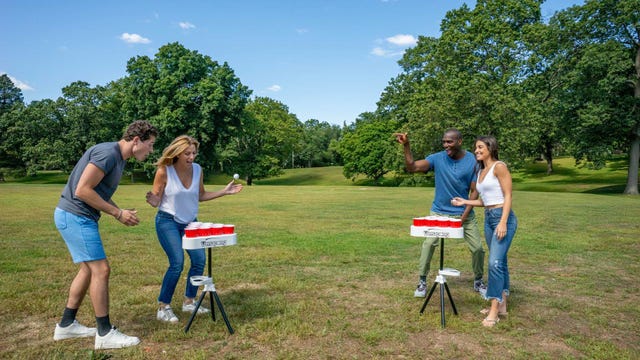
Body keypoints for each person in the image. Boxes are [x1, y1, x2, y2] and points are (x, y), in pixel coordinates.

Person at [53, 120, 158, 349]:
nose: (151, 150)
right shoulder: (108, 153)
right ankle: (104, 333)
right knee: (101, 269)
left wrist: (118, 212)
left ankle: (66, 325)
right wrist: (117, 213)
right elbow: (82, 190)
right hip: (75, 216)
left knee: (88, 270)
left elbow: (97, 191)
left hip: (77, 216)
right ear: (137, 140)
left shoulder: (118, 158)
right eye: (150, 145)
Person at [145, 135, 243, 323]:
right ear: (177, 153)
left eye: (194, 153)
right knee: (177, 263)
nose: (191, 157)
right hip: (168, 221)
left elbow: (201, 195)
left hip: (190, 222)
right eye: (186, 153)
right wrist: (153, 200)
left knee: (199, 260)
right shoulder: (164, 171)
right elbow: (157, 199)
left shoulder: (198, 170)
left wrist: (225, 191)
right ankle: (163, 306)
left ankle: (189, 302)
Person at [394, 129, 486, 297]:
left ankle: (478, 280)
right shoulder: (436, 158)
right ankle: (422, 281)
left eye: (449, 142)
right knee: (428, 245)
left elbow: (474, 192)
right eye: (444, 142)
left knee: (478, 249)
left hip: (464, 212)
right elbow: (412, 167)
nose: (446, 145)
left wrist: (463, 217)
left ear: (459, 141)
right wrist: (406, 145)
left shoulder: (473, 161)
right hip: (439, 212)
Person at [451, 135, 517, 327]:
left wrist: (503, 222)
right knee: (500, 262)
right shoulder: (482, 170)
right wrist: (465, 201)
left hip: (502, 218)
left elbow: (508, 196)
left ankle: (494, 310)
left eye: (480, 147)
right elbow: (485, 201)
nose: (477, 151)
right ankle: (502, 304)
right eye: (476, 148)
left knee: (494, 263)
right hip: (489, 218)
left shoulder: (499, 167)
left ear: (490, 147)